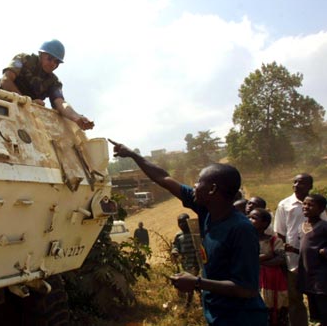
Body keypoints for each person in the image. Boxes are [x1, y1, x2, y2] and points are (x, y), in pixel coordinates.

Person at [109, 139, 267, 325]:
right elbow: (163, 178)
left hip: (242, 319)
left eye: (199, 182)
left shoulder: (241, 230)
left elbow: (246, 289)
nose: (194, 186)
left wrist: (197, 283)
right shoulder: (207, 210)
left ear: (212, 190)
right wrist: (133, 155)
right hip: (218, 316)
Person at [0, 39, 94, 130]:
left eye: (56, 62)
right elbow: (6, 80)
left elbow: (60, 103)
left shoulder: (53, 82)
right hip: (1, 102)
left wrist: (77, 117)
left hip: (25, 115)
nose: (52, 63)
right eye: (50, 58)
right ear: (41, 54)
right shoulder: (24, 59)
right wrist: (27, 101)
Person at [273, 173, 327, 326]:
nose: (296, 185)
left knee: (318, 295)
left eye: (301, 183)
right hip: (293, 260)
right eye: (295, 182)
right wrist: (287, 253)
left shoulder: (319, 204)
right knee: (295, 298)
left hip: (317, 264)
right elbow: (280, 232)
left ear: (310, 186)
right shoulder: (285, 205)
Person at [249, 208, 288, 326]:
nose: (249, 220)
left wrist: (259, 262)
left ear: (265, 223)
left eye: (254, 218)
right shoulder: (245, 239)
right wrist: (266, 256)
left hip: (272, 282)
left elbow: (281, 259)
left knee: (274, 309)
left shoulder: (273, 240)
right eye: (249, 217)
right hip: (253, 279)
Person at [297, 194, 327, 326]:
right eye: (304, 204)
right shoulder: (302, 226)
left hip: (322, 277)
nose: (305, 207)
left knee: (324, 309)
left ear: (321, 209)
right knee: (316, 315)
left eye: (310, 205)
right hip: (308, 276)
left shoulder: (324, 226)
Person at [171, 213, 200, 307]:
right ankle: (195, 302)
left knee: (194, 282)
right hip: (186, 263)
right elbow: (175, 246)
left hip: (197, 262)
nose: (182, 225)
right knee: (192, 283)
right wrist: (175, 251)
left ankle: (189, 304)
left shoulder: (195, 233)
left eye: (184, 222)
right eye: (179, 222)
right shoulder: (178, 236)